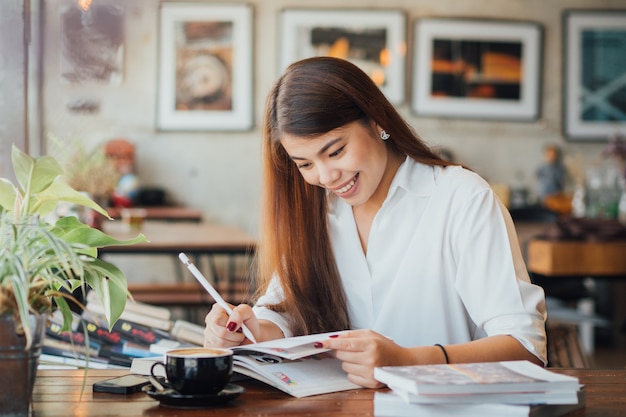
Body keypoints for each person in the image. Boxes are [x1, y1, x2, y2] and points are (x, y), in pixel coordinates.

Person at [204, 57, 547, 389]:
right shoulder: (315, 213)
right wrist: (251, 330)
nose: (325, 176)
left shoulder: (461, 198)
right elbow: (285, 310)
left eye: (335, 151)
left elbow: (525, 348)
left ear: (377, 121)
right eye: (304, 164)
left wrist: (409, 361)